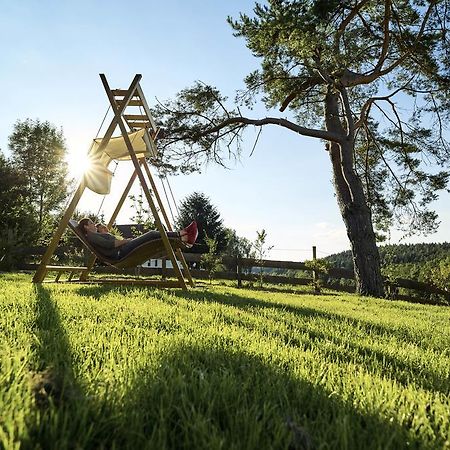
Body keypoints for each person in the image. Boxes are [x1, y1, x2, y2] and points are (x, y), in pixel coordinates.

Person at [76, 218, 198, 260]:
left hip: (122, 249)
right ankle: (182, 234)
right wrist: (126, 241)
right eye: (91, 223)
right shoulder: (92, 236)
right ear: (86, 227)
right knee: (150, 235)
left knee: (150, 237)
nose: (94, 224)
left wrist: (125, 241)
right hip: (121, 252)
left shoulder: (94, 235)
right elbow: (109, 245)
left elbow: (110, 243)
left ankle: (184, 236)